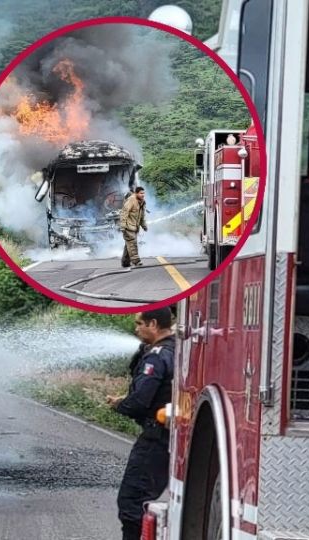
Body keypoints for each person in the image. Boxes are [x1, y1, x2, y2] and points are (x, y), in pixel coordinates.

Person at [106, 307, 175, 540]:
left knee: (132, 501)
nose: (136, 329)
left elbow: (141, 400)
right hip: (169, 437)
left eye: (139, 324)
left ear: (153, 324)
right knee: (142, 499)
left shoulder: (156, 356)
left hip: (155, 439)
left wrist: (121, 405)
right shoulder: (176, 349)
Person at [120, 186, 148, 268]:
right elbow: (124, 213)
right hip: (128, 227)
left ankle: (125, 262)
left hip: (134, 227)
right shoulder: (131, 200)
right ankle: (136, 261)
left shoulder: (142, 202)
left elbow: (142, 216)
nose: (143, 195)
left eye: (143, 193)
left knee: (128, 244)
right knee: (132, 243)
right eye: (141, 193)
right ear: (136, 193)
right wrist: (123, 226)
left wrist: (144, 226)